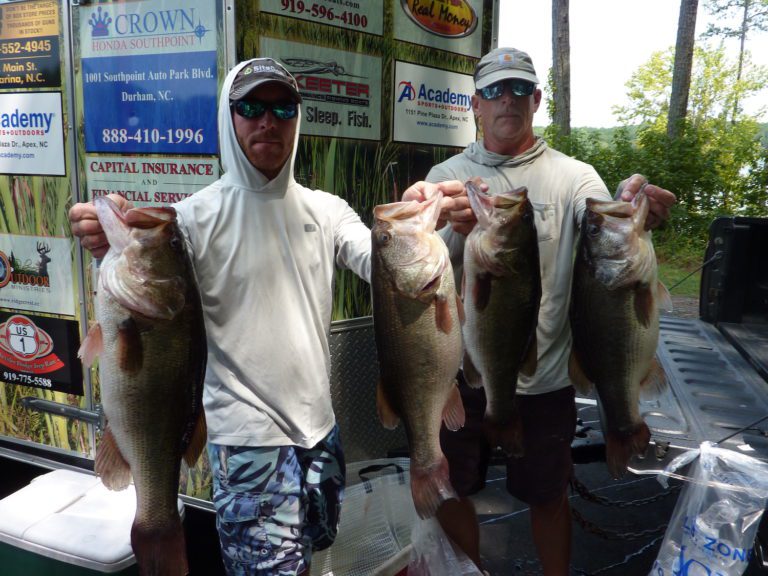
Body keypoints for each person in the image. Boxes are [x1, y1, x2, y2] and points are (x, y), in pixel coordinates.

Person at [69, 58, 468, 576]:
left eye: (282, 107)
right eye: (251, 107)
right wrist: (105, 241)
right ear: (228, 117)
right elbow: (143, 291)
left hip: (321, 432)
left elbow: (386, 263)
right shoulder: (190, 218)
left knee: (315, 555)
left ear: (296, 119)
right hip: (246, 440)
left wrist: (437, 224)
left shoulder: (327, 210)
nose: (267, 122)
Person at [422, 47, 677, 576]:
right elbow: (423, 267)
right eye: (493, 91)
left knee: (549, 499)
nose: (507, 99)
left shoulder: (575, 176)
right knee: (450, 491)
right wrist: (450, 230)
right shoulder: (448, 173)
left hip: (546, 380)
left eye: (519, 89)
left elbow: (607, 236)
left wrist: (639, 211)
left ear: (537, 99)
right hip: (468, 375)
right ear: (475, 104)